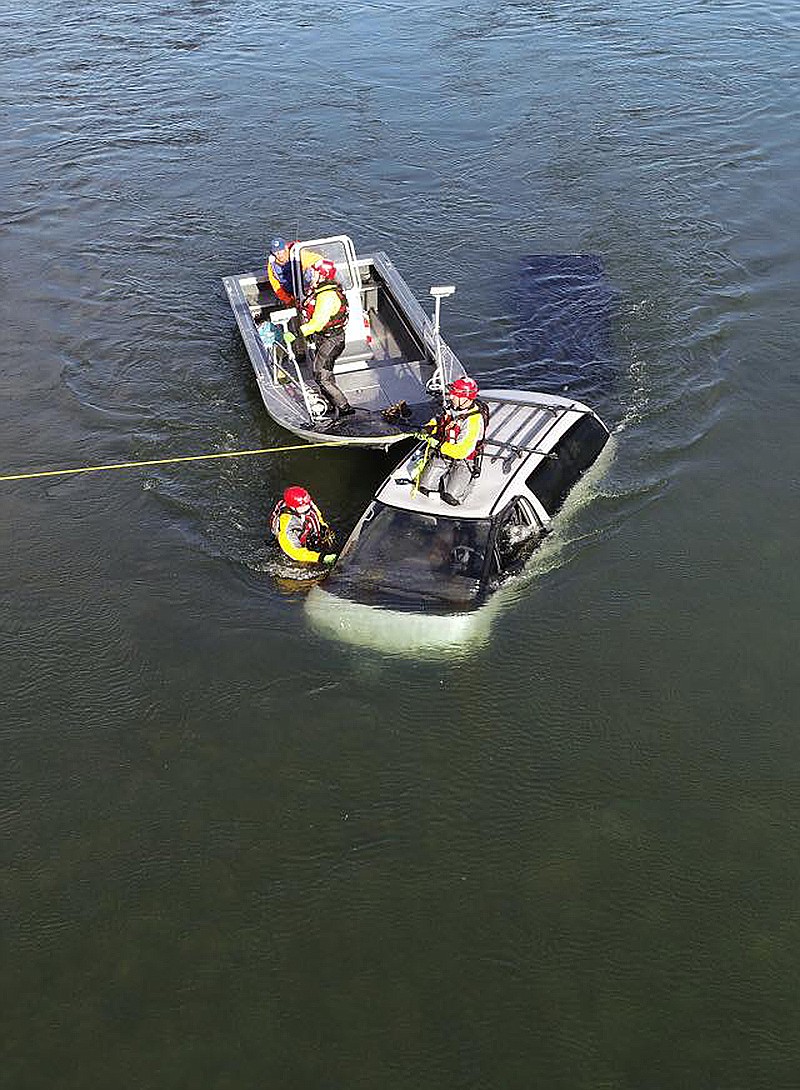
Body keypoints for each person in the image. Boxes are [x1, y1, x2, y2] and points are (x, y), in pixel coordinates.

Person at [284, 259, 354, 418]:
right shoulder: (323, 291)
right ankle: (330, 402)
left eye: (315, 272)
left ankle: (345, 408)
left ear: (322, 276)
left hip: (332, 340)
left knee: (320, 375)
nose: (311, 275)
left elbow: (318, 322)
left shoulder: (327, 297)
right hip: (325, 338)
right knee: (325, 372)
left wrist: (296, 334)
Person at [416, 375, 489, 505]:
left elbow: (462, 451)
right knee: (424, 487)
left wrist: (438, 445)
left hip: (464, 460)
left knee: (452, 497)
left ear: (465, 398)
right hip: (443, 455)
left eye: (454, 394)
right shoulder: (452, 408)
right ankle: (444, 476)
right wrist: (428, 429)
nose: (450, 397)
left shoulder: (473, 421)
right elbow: (440, 422)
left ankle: (467, 480)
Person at [270, 486, 337, 565]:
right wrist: (320, 558)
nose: (307, 509)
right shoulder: (287, 525)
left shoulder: (304, 503)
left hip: (303, 526)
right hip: (292, 544)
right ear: (292, 508)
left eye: (308, 505)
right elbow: (294, 552)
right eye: (303, 508)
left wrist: (322, 526)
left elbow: (315, 513)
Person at [265, 237, 321, 306]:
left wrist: (315, 281)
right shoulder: (272, 265)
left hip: (308, 291)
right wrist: (287, 300)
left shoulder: (298, 254)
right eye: (275, 252)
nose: (279, 255)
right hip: (291, 294)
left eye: (281, 251)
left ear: (286, 248)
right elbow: (275, 285)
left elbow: (319, 260)